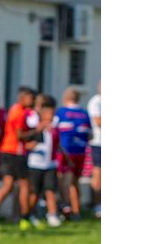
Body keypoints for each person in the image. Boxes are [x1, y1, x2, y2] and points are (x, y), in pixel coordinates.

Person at [0, 86, 37, 231]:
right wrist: (37, 131)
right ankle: (25, 218)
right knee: (25, 185)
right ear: (23, 97)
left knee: (8, 185)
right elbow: (18, 135)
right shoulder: (18, 112)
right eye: (31, 97)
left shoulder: (14, 110)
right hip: (15, 152)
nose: (33, 100)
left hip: (6, 151)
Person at [54, 87, 92, 220]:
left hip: (65, 151)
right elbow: (90, 134)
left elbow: (54, 132)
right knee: (75, 181)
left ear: (65, 98)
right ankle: (77, 210)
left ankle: (68, 209)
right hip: (80, 152)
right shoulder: (85, 113)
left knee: (64, 181)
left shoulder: (61, 112)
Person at [25, 95, 62, 228]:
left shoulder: (55, 128)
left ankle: (52, 215)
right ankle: (29, 214)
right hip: (36, 164)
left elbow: (58, 145)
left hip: (50, 164)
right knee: (34, 192)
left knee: (50, 190)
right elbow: (25, 143)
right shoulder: (34, 126)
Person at [87, 81, 101, 218]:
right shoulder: (95, 102)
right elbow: (98, 121)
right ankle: (97, 205)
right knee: (98, 174)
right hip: (99, 143)